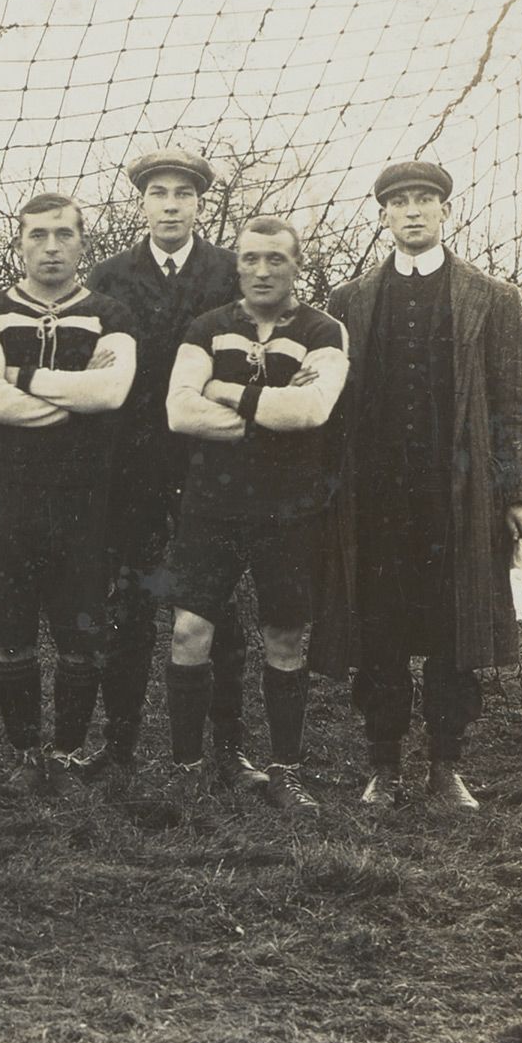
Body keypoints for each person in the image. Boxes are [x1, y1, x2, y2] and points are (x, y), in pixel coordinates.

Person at [314, 161, 522, 810]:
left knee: (454, 632)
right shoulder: (350, 301)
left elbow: (515, 404)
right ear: (383, 216)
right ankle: (383, 767)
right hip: (375, 499)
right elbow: (333, 409)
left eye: (425, 201)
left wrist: (519, 491)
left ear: (446, 212)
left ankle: (446, 767)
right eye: (399, 202)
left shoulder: (492, 298)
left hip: (460, 500)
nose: (413, 212)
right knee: (377, 632)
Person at [81, 148, 256, 799]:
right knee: (128, 610)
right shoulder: (110, 276)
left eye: (184, 194)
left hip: (208, 467)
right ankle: (118, 743)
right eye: (160, 193)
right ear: (143, 202)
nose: (172, 205)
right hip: (131, 469)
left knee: (217, 611)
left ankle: (228, 748)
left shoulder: (231, 273)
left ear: (200, 203)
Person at [162, 217, 348, 808]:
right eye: (250, 260)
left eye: (275, 259)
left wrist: (225, 392)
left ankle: (285, 772)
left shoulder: (325, 329)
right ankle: (188, 767)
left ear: (297, 265)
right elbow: (178, 412)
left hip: (289, 509)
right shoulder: (207, 328)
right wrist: (266, 417)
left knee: (284, 637)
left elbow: (312, 411)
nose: (262, 271)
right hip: (210, 505)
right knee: (191, 631)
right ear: (235, 266)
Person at [0, 193, 137, 795]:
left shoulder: (112, 312)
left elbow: (111, 394)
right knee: (10, 630)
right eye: (38, 235)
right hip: (4, 496)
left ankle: (65, 754)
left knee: (79, 632)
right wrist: (71, 398)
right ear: (19, 243)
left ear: (84, 243)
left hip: (84, 499)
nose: (51, 247)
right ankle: (26, 754)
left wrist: (24, 379)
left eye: (64, 234)